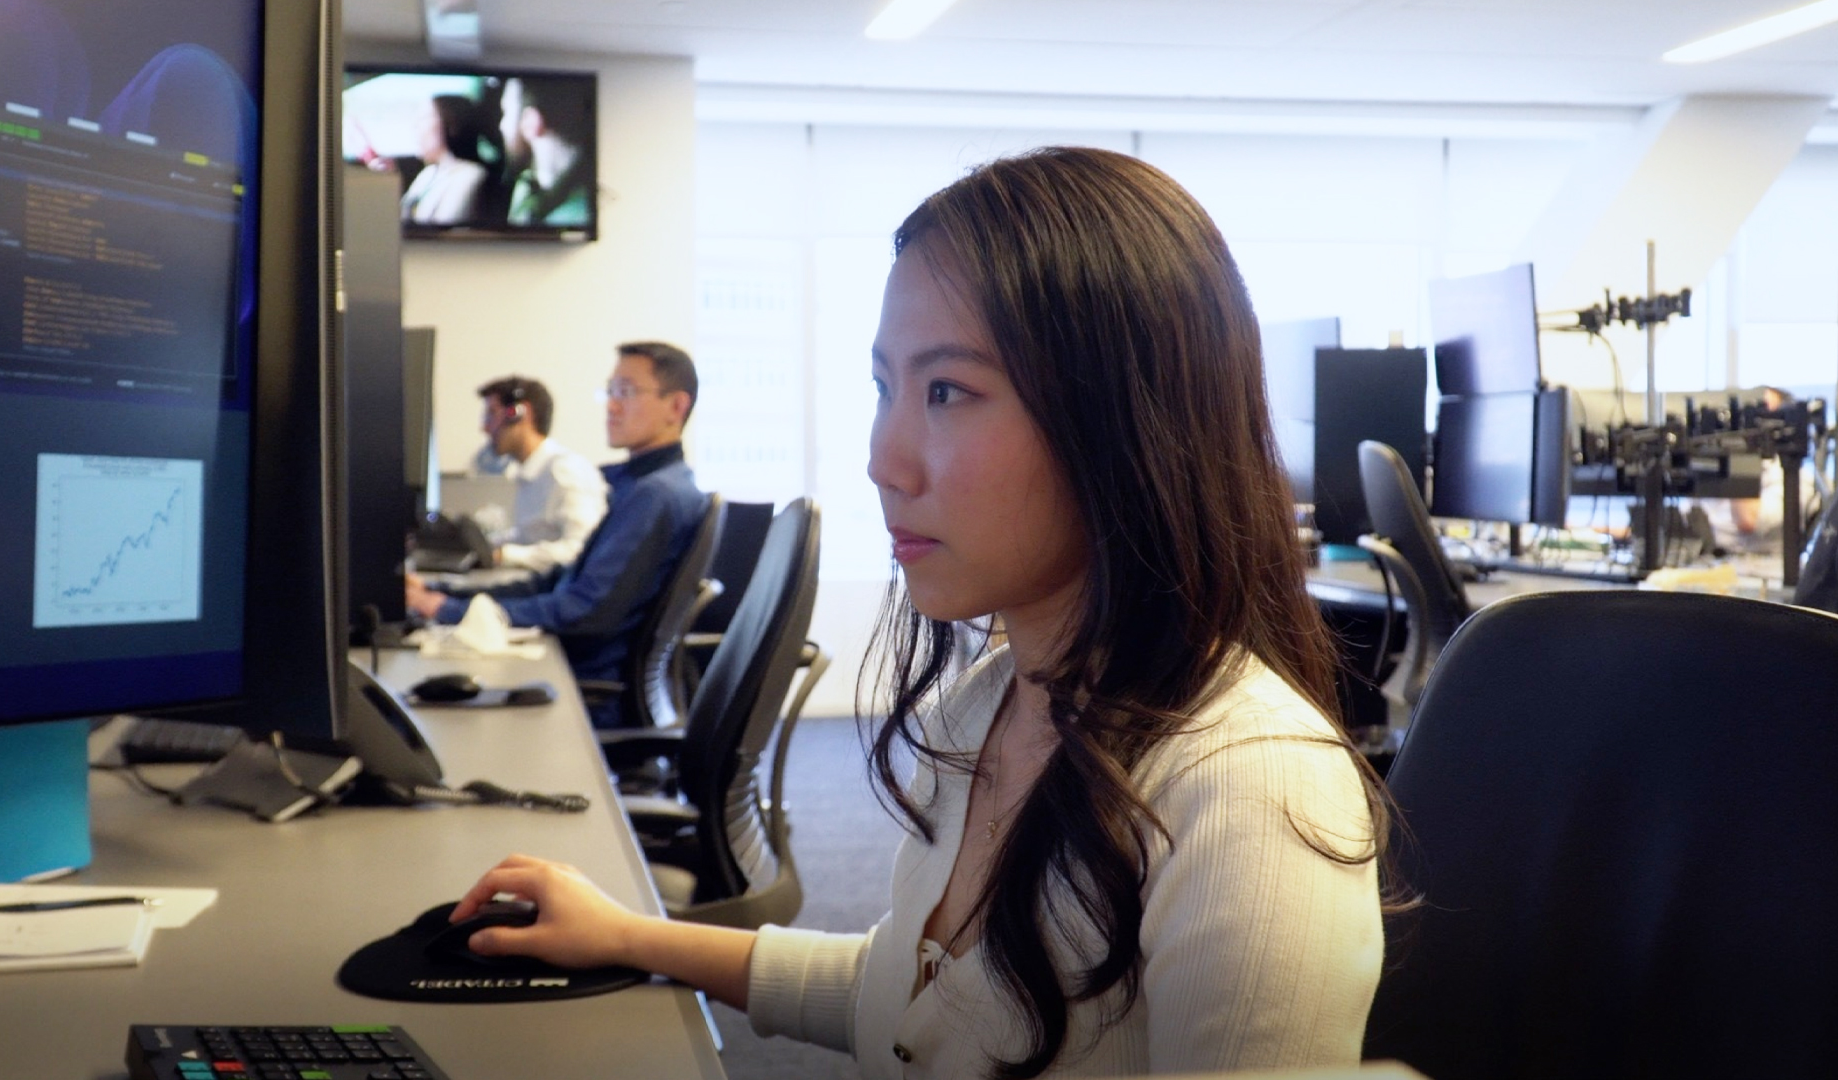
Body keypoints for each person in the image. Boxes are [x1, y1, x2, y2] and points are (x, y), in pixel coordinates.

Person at [446, 148, 1389, 1076]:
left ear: (1124, 421)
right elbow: (910, 995)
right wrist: (630, 936)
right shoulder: (987, 703)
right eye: (884, 388)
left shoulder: (1251, 793)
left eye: (947, 391)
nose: (884, 460)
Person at [407, 343, 706, 729]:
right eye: (611, 391)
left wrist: (446, 611)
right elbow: (558, 580)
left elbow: (583, 610)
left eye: (627, 392)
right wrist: (447, 595)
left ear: (676, 406)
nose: (612, 406)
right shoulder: (642, 486)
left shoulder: (654, 496)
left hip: (587, 692)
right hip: (582, 677)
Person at [471, 375, 607, 574]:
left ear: (518, 413)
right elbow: (530, 537)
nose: (484, 427)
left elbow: (581, 550)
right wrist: (485, 545)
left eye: (491, 414)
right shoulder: (529, 474)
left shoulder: (564, 471)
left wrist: (505, 555)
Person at [497, 76, 592, 227]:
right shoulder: (528, 185)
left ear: (532, 121)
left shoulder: (577, 213)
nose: (502, 126)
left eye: (506, 112)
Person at [400, 94, 487, 225]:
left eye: (424, 118)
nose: (416, 126)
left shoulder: (470, 175)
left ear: (450, 122)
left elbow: (444, 232)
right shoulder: (428, 173)